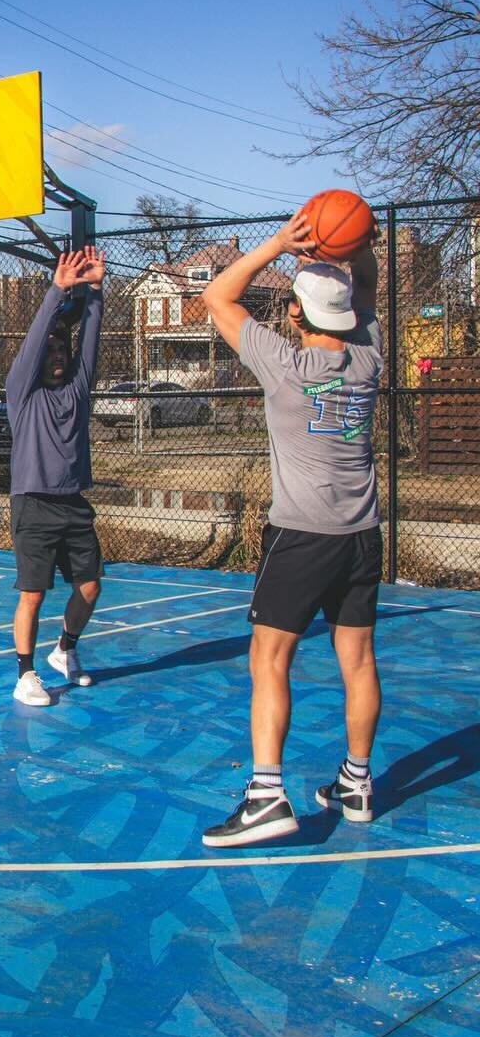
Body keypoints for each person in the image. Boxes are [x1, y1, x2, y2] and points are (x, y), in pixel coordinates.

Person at [200, 210, 382, 847]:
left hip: (301, 536)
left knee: (268, 657)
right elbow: (365, 289)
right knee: (356, 660)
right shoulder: (369, 355)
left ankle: (266, 795)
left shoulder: (283, 365)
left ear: (297, 317)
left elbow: (215, 295)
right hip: (361, 534)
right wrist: (352, 247)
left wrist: (279, 244)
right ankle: (356, 783)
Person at [4, 246, 106, 706]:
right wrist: (58, 291)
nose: (58, 354)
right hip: (33, 503)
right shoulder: (22, 393)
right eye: (51, 349)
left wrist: (97, 291)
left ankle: (64, 651)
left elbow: (91, 339)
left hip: (72, 503)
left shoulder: (79, 389)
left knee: (90, 588)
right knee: (33, 594)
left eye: (62, 348)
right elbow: (33, 345)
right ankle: (25, 675)